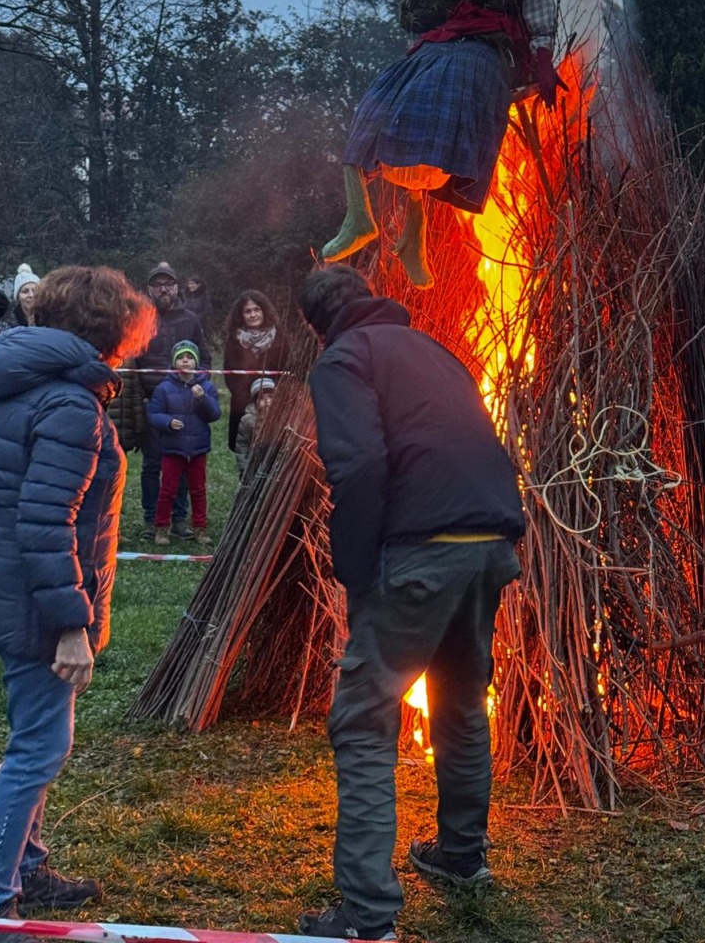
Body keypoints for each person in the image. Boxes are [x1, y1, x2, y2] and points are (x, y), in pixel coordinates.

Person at [296, 265, 524, 942]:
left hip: (421, 550)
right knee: (461, 703)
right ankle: (461, 856)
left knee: (364, 722)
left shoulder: (343, 359)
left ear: (318, 325)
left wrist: (357, 572)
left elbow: (358, 464)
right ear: (370, 298)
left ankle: (367, 917)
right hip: (490, 543)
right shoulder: (435, 349)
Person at [0, 266, 155, 929]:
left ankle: (27, 869)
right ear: (112, 329)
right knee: (39, 749)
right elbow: (46, 520)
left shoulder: (30, 385)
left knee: (35, 737)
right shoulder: (68, 404)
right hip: (38, 601)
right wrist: (69, 626)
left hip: (14, 585)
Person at [321, 0, 563, 289]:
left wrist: (542, 58)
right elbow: (416, 20)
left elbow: (539, 3)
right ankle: (361, 218)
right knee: (375, 108)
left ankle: (413, 236)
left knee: (433, 118)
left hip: (483, 51)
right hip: (434, 49)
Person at [135, 262, 211, 542]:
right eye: (157, 285)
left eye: (168, 284)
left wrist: (197, 387)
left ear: (177, 287)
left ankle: (179, 519)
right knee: (152, 464)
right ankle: (151, 520)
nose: (163, 289)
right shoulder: (139, 319)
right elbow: (132, 361)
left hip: (184, 406)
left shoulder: (190, 319)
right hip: (150, 403)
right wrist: (140, 398)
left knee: (181, 462)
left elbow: (205, 359)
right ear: (149, 290)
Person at [147, 341, 221, 547]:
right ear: (174, 362)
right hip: (172, 448)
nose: (185, 361)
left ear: (196, 362)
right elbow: (153, 414)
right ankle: (162, 528)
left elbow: (214, 414)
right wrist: (168, 422)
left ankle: (200, 528)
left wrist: (203, 399)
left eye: (189, 357)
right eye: (180, 357)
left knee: (198, 490)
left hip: (198, 448)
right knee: (167, 490)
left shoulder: (207, 386)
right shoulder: (164, 388)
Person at [223, 291, 289, 452]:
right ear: (241, 315)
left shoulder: (280, 336)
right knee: (246, 448)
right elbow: (230, 376)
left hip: (274, 404)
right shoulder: (234, 340)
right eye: (247, 311)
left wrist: (272, 398)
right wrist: (251, 401)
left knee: (274, 450)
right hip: (244, 405)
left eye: (257, 309)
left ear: (264, 311)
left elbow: (288, 370)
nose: (253, 315)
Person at [234, 377, 275, 478]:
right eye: (262, 398)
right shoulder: (248, 420)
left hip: (275, 465)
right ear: (255, 401)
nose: (267, 401)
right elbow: (242, 445)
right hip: (255, 464)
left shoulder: (281, 418)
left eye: (270, 397)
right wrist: (244, 467)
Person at [0, 263, 40, 336]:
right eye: (25, 291)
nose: (31, 295)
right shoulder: (8, 323)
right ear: (18, 297)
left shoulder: (50, 319)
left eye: (35, 291)